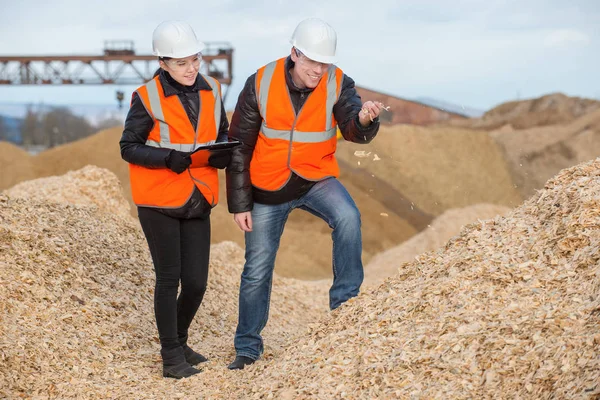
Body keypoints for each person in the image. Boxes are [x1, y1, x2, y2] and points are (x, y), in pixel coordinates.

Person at [225, 17, 384, 370]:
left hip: (314, 177)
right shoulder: (260, 83)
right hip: (267, 186)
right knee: (257, 268)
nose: (318, 70)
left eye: (324, 63)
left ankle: (345, 311)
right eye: (312, 61)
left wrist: (365, 122)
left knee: (348, 217)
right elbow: (238, 146)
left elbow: (352, 126)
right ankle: (248, 347)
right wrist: (239, 202)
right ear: (294, 53)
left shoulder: (339, 82)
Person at [119, 20, 231, 379]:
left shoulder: (213, 88)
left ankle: (180, 341)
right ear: (163, 62)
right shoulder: (146, 96)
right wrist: (166, 158)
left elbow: (221, 133)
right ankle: (171, 357)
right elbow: (129, 147)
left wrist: (222, 154)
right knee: (169, 279)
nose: (191, 67)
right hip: (158, 199)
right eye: (181, 62)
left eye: (195, 59)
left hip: (199, 194)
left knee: (196, 282)